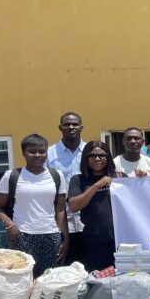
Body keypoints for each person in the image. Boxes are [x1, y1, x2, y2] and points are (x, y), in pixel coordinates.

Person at [0, 134, 69, 278]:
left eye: (42, 151)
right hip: (21, 236)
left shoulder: (57, 176)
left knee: (48, 283)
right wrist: (9, 224)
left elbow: (60, 210)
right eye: (32, 151)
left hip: (51, 237)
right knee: (21, 282)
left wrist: (65, 239)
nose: (37, 155)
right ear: (23, 153)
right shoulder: (11, 176)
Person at [67, 141, 124, 271]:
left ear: (108, 157)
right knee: (99, 280)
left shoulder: (119, 176)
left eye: (101, 155)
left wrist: (140, 180)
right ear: (85, 159)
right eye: (92, 156)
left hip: (121, 239)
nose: (97, 159)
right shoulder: (78, 180)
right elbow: (74, 206)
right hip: (95, 240)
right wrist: (98, 185)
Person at [46, 112, 86, 264]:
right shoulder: (48, 154)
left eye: (75, 124)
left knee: (90, 268)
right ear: (60, 127)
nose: (71, 127)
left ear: (81, 127)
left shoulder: (91, 152)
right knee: (62, 269)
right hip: (59, 223)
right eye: (67, 124)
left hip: (86, 223)